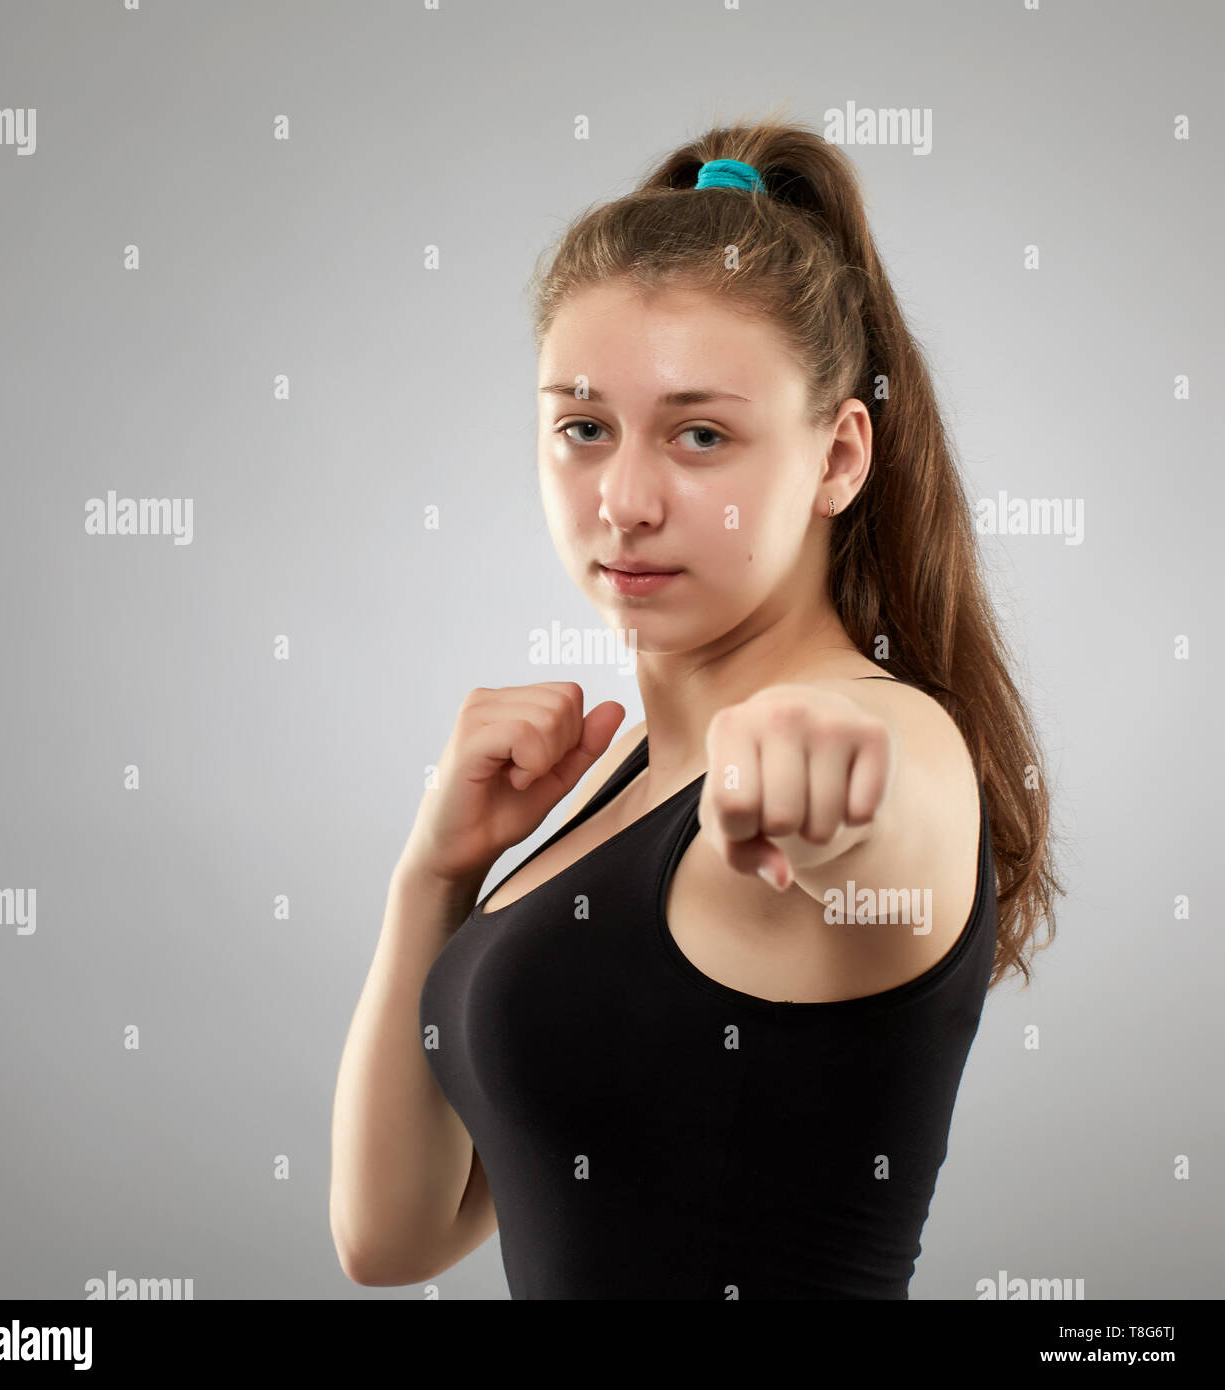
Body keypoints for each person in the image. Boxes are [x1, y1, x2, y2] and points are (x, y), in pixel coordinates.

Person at [330, 115, 1064, 1299]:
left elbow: (886, 794)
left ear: (837, 457)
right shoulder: (620, 786)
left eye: (701, 435)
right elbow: (391, 1238)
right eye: (583, 429)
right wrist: (435, 875)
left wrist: (825, 771)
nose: (622, 499)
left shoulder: (889, 737)